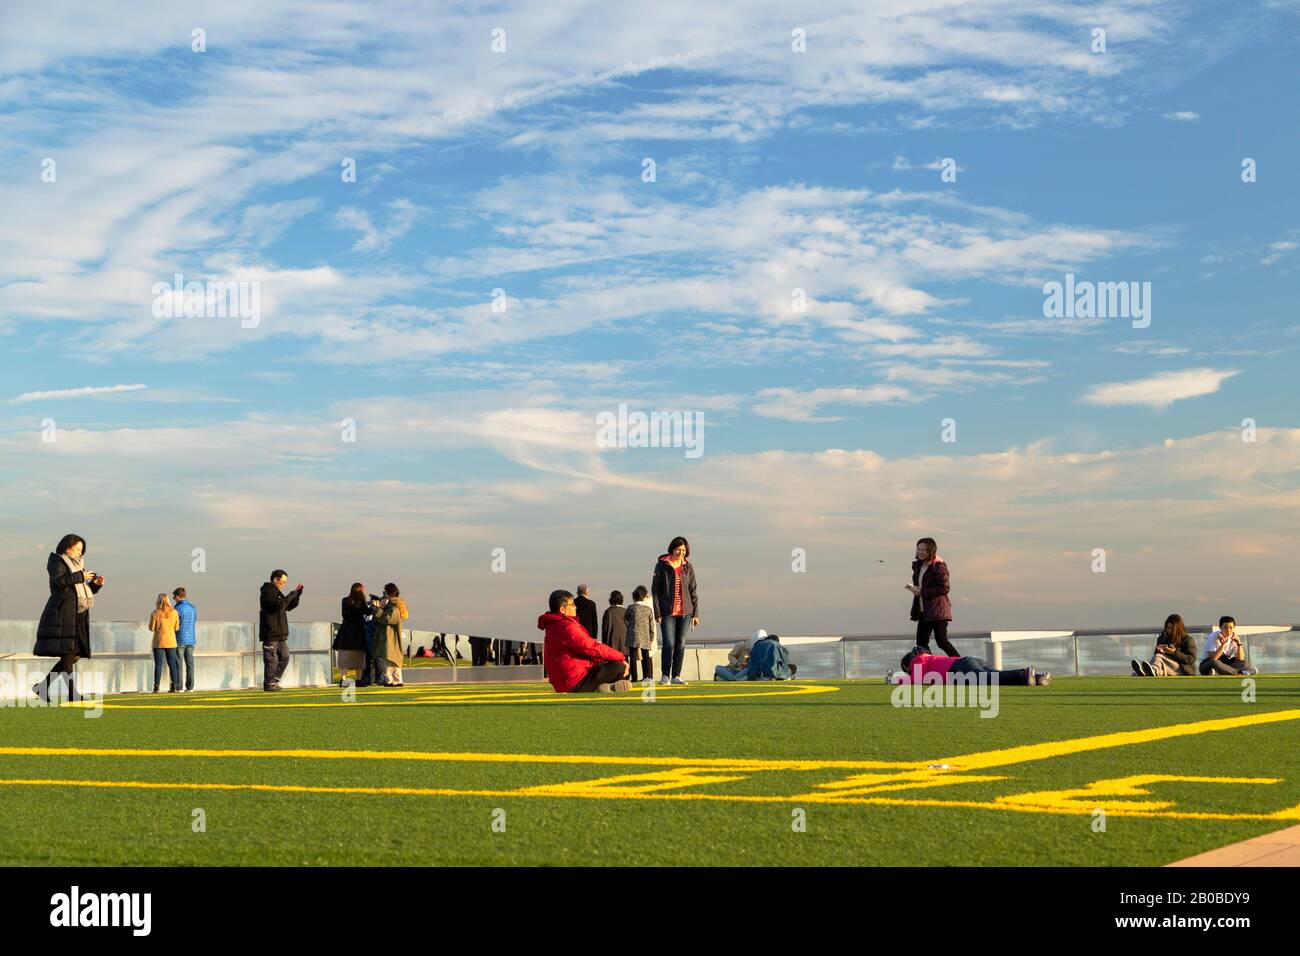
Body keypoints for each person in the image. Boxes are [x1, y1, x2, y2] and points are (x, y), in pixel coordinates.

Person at [33, 533, 104, 702]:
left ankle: (42, 687)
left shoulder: (78, 566)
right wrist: (81, 576)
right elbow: (58, 582)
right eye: (77, 548)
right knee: (68, 654)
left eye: (82, 550)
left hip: (76, 615)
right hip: (62, 615)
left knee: (75, 654)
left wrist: (95, 585)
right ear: (67, 547)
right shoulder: (57, 561)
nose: (80, 552)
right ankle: (71, 693)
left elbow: (78, 592)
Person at [538, 590, 629, 693]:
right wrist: (621, 657)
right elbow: (590, 647)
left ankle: (605, 686)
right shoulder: (566, 627)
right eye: (572, 604)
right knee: (618, 666)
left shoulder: (554, 626)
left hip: (565, 681)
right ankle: (605, 686)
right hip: (574, 682)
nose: (575, 607)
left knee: (610, 662)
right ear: (562, 609)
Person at [652, 536, 699, 686]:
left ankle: (676, 675)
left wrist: (696, 614)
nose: (680, 552)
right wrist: (657, 613)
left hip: (685, 612)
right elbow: (655, 591)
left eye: (683, 550)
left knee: (681, 643)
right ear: (672, 548)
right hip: (667, 612)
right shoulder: (661, 566)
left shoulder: (688, 567)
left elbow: (693, 591)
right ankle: (665, 675)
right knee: (668, 643)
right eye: (678, 549)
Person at [894, 646, 1053, 686]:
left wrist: (897, 680)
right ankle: (1036, 678)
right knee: (996, 677)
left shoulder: (918, 660)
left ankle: (1024, 674)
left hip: (959, 668)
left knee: (991, 679)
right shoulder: (930, 658)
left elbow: (918, 679)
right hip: (968, 661)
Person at [905, 537, 958, 656]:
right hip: (924, 611)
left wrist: (922, 592)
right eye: (919, 549)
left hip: (938, 611)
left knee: (942, 642)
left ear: (931, 551)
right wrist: (915, 590)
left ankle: (962, 665)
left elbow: (945, 588)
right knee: (921, 643)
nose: (920, 552)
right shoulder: (919, 566)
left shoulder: (939, 567)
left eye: (923, 550)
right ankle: (927, 668)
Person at [259, 570, 303, 691]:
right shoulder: (267, 590)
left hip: (280, 633)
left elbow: (287, 607)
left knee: (285, 656)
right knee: (271, 659)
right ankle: (269, 684)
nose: (283, 584)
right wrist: (290, 595)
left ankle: (274, 681)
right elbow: (276, 606)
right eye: (282, 581)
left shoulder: (277, 592)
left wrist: (297, 596)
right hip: (271, 632)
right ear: (275, 579)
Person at [716, 631, 798, 681]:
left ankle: (731, 679)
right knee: (718, 668)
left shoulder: (758, 649)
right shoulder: (741, 645)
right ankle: (733, 678)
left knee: (748, 670)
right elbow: (730, 656)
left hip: (747, 670)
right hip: (736, 669)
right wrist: (738, 663)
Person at [1132, 614, 1197, 677]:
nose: (1169, 630)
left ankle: (1146, 671)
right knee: (1158, 658)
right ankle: (1147, 672)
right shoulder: (1162, 638)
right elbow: (1157, 658)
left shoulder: (1187, 640)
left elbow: (1191, 659)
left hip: (1182, 670)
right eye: (1168, 628)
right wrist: (1158, 650)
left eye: (1172, 628)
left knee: (1158, 656)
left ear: (1178, 629)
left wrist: (1174, 653)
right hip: (1166, 667)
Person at [371, 583, 408, 687]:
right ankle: (391, 680)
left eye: (385, 592)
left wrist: (377, 609)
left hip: (391, 638)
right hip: (387, 637)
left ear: (389, 593)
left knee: (392, 659)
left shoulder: (395, 607)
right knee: (388, 660)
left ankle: (395, 680)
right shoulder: (392, 605)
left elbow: (388, 619)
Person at [334, 583, 371, 685]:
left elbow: (344, 615)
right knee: (359, 658)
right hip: (358, 631)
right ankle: (358, 680)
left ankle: (343, 680)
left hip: (346, 631)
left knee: (344, 657)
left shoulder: (345, 600)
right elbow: (367, 612)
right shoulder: (361, 601)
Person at [148, 593, 181, 694]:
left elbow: (151, 628)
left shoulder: (155, 613)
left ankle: (156, 686)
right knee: (172, 665)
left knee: (158, 664)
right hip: (171, 641)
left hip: (158, 642)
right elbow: (177, 628)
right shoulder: (174, 613)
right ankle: (173, 685)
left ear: (158, 601)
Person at [623, 585, 655, 683]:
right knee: (646, 656)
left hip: (632, 634)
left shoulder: (630, 607)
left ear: (634, 597)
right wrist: (652, 636)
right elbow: (651, 624)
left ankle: (634, 677)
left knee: (632, 657)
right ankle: (647, 676)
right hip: (645, 635)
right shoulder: (648, 609)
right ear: (644, 597)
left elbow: (626, 618)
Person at [172, 587, 197, 692]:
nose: (174, 599)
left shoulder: (177, 609)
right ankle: (190, 687)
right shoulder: (193, 608)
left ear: (178, 597)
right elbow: (194, 621)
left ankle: (179, 686)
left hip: (180, 639)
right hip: (191, 639)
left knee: (178, 664)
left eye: (174, 597)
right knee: (190, 664)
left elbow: (175, 625)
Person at [601, 590, 628, 655]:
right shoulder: (625, 611)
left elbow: (604, 629)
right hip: (624, 645)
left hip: (611, 645)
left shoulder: (608, 612)